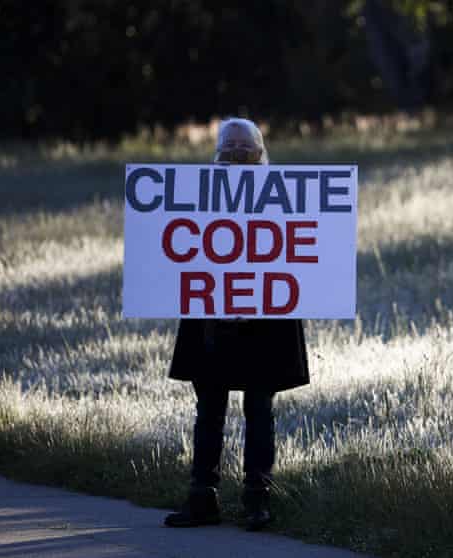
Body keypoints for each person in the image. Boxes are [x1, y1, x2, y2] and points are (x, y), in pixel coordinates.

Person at [163, 117, 310, 531]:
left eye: (245, 150)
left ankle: (257, 501)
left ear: (260, 153)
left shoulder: (282, 198)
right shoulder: (201, 196)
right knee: (209, 407)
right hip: (213, 317)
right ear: (218, 152)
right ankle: (202, 497)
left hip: (265, 319)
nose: (238, 157)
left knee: (259, 409)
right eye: (230, 150)